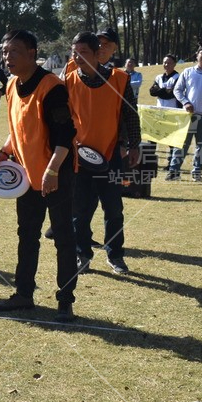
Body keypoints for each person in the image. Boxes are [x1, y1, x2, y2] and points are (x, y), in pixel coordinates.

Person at [0, 30, 78, 323]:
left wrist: (52, 171)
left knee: (63, 238)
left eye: (14, 52)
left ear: (31, 53)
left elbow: (66, 135)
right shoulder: (12, 85)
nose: (7, 58)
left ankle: (65, 301)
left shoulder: (52, 87)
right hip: (28, 177)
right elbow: (18, 129)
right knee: (27, 234)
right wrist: (3, 152)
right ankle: (24, 294)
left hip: (56, 175)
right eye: (5, 52)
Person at [64, 32, 140, 275]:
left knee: (114, 209)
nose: (77, 57)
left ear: (98, 54)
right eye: (74, 52)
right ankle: (82, 255)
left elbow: (130, 113)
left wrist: (134, 144)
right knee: (80, 211)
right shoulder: (67, 79)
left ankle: (115, 255)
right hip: (79, 158)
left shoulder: (119, 78)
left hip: (111, 156)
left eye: (83, 52)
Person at [172, 45, 202, 182]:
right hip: (188, 116)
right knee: (181, 144)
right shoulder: (187, 72)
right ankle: (174, 171)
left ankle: (197, 171)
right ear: (196, 55)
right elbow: (177, 90)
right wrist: (185, 102)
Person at [149, 54, 183, 178]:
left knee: (172, 140)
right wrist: (163, 91)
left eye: (169, 63)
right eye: (164, 62)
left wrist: (160, 91)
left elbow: (171, 94)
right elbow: (151, 91)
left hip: (172, 112)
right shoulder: (158, 77)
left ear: (174, 64)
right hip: (158, 112)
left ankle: (171, 163)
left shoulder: (178, 77)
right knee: (152, 137)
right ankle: (149, 162)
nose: (166, 65)